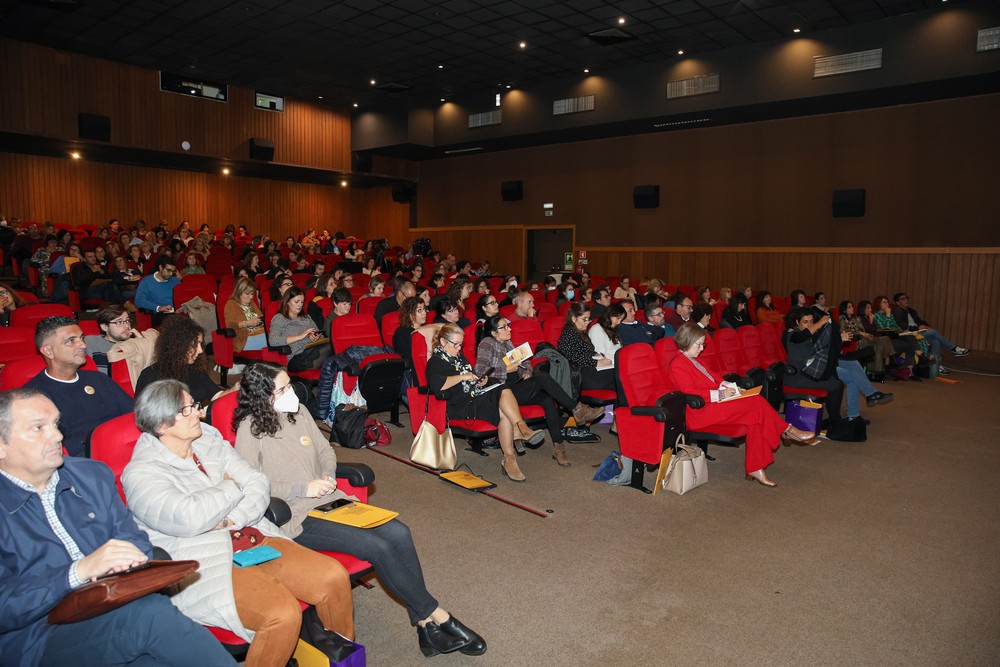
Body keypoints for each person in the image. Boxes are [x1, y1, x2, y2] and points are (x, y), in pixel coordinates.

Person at [232, 364, 486, 658]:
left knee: (400, 532)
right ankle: (439, 616)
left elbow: (326, 450)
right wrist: (304, 488)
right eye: (283, 389)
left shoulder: (298, 413)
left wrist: (327, 475)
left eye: (290, 386)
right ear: (263, 396)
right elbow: (250, 484)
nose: (292, 393)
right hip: (297, 515)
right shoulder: (250, 430)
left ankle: (424, 626)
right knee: (377, 546)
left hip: (330, 499)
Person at [122, 379, 354, 667]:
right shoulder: (141, 473)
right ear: (160, 425)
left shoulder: (207, 439)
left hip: (250, 533)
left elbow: (258, 482)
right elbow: (190, 518)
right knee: (281, 612)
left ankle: (336, 660)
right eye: (186, 410)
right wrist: (231, 488)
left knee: (333, 577)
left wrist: (232, 516)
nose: (198, 412)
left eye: (194, 405)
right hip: (203, 559)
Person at [0, 387, 237, 667]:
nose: (57, 436)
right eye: (38, 428)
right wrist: (77, 572)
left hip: (113, 604)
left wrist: (127, 560)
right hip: (37, 636)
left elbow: (134, 539)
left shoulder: (91, 476)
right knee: (152, 616)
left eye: (55, 424)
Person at [669, 323, 816, 487]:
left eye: (703, 344)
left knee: (754, 417)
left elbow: (716, 379)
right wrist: (722, 394)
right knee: (756, 402)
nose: (702, 348)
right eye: (698, 344)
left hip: (715, 404)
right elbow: (691, 392)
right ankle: (787, 430)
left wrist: (731, 387)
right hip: (700, 412)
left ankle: (755, 467)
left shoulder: (696, 360)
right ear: (686, 341)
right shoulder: (678, 364)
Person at [476, 316, 603, 466]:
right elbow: (480, 371)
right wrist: (506, 369)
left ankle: (558, 447)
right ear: (493, 333)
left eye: (507, 326)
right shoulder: (487, 343)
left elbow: (526, 362)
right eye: (504, 327)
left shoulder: (508, 344)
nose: (509, 329)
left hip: (517, 386)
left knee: (547, 400)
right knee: (542, 377)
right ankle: (576, 408)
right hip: (502, 392)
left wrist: (526, 372)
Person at [426, 324, 544, 482]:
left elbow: (472, 376)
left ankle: (514, 447)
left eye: (461, 344)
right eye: (456, 344)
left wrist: (481, 381)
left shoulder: (459, 358)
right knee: (503, 403)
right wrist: (464, 377)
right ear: (443, 341)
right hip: (459, 405)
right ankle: (514, 445)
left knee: (503, 393)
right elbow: (438, 385)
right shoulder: (435, 362)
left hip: (474, 396)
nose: (459, 348)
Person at [25, 316, 134, 456]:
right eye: (71, 341)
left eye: (81, 338)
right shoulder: (33, 397)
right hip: (85, 462)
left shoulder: (99, 379)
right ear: (48, 351)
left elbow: (134, 415)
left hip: (127, 447)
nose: (83, 345)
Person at [134, 315, 227, 404]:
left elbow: (218, 395)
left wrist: (237, 388)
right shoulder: (150, 376)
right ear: (179, 345)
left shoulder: (195, 369)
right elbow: (143, 416)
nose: (201, 350)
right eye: (195, 344)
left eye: (200, 344)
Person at [891, 292, 969, 374]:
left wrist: (926, 326)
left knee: (936, 341)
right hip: (909, 333)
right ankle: (954, 349)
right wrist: (918, 328)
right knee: (934, 332)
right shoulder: (896, 311)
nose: (906, 300)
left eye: (907, 298)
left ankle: (936, 364)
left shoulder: (911, 311)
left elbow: (920, 321)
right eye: (903, 299)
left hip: (918, 331)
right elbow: (899, 325)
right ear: (897, 302)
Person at [270, 287, 331, 372]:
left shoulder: (306, 317)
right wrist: (300, 336)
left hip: (314, 350)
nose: (300, 305)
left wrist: (315, 337)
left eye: (302, 302)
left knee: (332, 348)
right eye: (296, 302)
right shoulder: (280, 318)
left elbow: (318, 335)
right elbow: (273, 340)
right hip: (297, 357)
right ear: (287, 301)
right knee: (331, 348)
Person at [558, 303, 615, 391]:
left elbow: (586, 351)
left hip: (590, 369)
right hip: (580, 374)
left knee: (618, 377)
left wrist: (597, 355)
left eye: (589, 319)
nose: (587, 322)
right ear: (574, 318)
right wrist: (596, 362)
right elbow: (572, 357)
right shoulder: (568, 333)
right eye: (584, 319)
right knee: (618, 376)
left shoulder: (581, 331)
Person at [837, 300, 896, 376]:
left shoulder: (855, 319)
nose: (852, 308)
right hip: (857, 340)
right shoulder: (842, 319)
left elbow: (865, 330)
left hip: (866, 337)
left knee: (885, 339)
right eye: (849, 307)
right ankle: (883, 364)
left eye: (852, 306)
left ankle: (877, 369)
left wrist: (868, 334)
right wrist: (860, 333)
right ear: (844, 310)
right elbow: (844, 332)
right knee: (878, 345)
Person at [84, 303, 145, 373]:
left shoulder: (133, 344)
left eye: (127, 321)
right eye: (119, 322)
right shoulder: (91, 342)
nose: (127, 326)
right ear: (105, 327)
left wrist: (141, 344)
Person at [223, 277, 267, 353]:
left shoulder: (251, 303)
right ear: (239, 292)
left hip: (260, 333)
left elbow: (261, 317)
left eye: (252, 294)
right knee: (273, 341)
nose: (251, 297)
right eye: (247, 294)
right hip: (244, 339)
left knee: (276, 337)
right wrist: (247, 323)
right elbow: (230, 325)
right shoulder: (231, 304)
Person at [134, 256, 179, 326]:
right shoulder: (147, 281)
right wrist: (158, 308)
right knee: (171, 320)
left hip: (176, 311)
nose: (171, 274)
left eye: (173, 271)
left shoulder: (175, 281)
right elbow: (139, 301)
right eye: (169, 270)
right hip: (159, 314)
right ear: (160, 267)